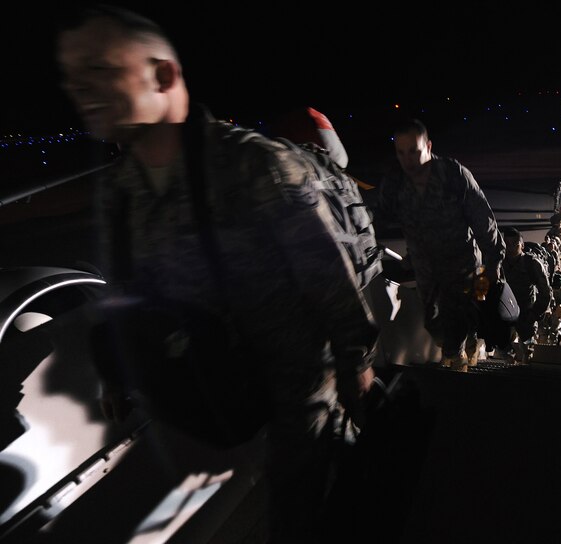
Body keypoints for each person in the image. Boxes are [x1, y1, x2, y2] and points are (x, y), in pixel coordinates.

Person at [55, 6, 378, 542]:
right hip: (218, 376)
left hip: (297, 379)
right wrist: (115, 366)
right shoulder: (120, 190)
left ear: (163, 76)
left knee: (302, 509)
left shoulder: (257, 165)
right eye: (70, 76)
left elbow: (329, 275)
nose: (79, 88)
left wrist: (357, 364)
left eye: (98, 69)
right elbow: (124, 288)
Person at [376, 118, 505, 372]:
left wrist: (494, 264)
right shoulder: (394, 183)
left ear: (429, 146)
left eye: (414, 151)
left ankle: (457, 362)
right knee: (433, 323)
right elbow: (377, 220)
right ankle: (457, 347)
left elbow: (483, 221)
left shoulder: (453, 175)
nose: (407, 159)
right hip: (426, 269)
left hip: (465, 265)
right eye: (401, 153)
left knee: (462, 318)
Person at [500, 228, 552, 363]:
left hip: (525, 314)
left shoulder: (532, 264)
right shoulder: (498, 263)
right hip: (505, 312)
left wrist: (535, 313)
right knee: (504, 349)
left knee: (528, 349)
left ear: (522, 245)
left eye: (515, 244)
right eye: (507, 244)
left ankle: (526, 362)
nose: (510, 248)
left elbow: (545, 292)